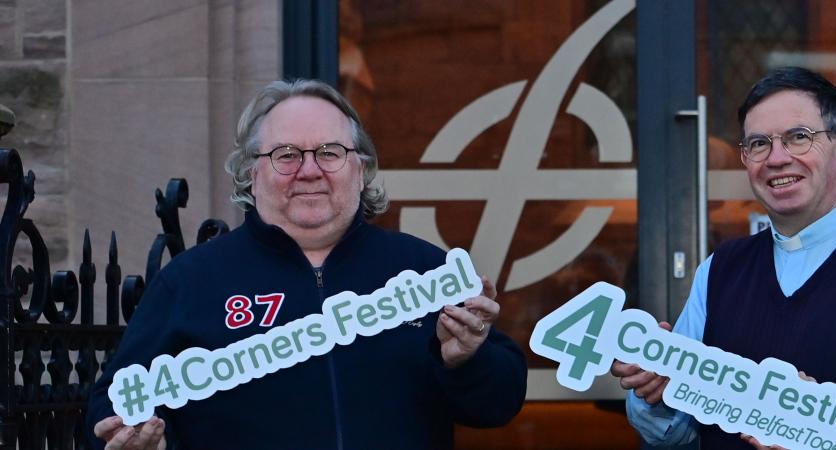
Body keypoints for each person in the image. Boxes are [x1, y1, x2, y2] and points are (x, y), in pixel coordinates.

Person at [86, 79, 527, 449]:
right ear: (252, 174)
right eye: (286, 155)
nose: (310, 171)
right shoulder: (191, 281)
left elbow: (498, 405)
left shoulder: (424, 272)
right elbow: (112, 405)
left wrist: (466, 360)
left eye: (330, 152)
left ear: (360, 169)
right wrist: (136, 438)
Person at [612, 67, 836, 449]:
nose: (776, 158)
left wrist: (827, 428)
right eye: (758, 143)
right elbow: (676, 431)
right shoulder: (719, 271)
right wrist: (655, 392)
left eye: (798, 138)